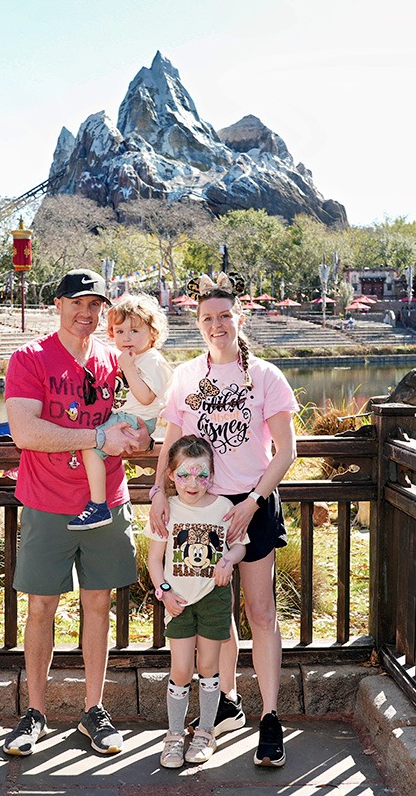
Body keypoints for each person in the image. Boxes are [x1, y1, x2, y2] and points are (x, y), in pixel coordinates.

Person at [149, 271, 298, 768]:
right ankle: (227, 700)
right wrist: (159, 492)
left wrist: (254, 500)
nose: (217, 324)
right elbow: (170, 442)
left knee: (259, 611)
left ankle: (271, 717)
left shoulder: (266, 376)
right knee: (217, 607)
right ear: (198, 324)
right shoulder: (187, 376)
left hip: (252, 502)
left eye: (224, 316)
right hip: (200, 506)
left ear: (239, 318)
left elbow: (286, 450)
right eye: (207, 318)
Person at [2, 268, 150, 757]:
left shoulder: (115, 359)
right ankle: (36, 712)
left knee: (98, 605)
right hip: (47, 503)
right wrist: (98, 438)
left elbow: (137, 417)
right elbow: (25, 432)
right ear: (58, 305)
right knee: (41, 606)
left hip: (107, 502)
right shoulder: (29, 358)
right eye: (77, 303)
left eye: (95, 306)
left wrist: (134, 437)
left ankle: (93, 711)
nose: (86, 313)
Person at [146, 435, 249, 768]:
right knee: (180, 669)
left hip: (213, 600)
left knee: (208, 667)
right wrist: (164, 592)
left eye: (201, 475)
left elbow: (239, 545)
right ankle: (174, 735)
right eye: (184, 475)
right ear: (171, 475)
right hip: (179, 602)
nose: (193, 483)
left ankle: (205, 732)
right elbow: (154, 559)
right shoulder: (167, 511)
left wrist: (228, 561)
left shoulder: (222, 508)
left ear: (212, 475)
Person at [69, 293, 173, 530]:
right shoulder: (126, 358)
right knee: (88, 442)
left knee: (91, 446)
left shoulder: (152, 360)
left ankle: (98, 504)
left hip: (135, 422)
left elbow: (146, 397)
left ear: (152, 333)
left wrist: (127, 368)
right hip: (122, 418)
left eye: (135, 331)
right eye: (120, 331)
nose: (127, 338)